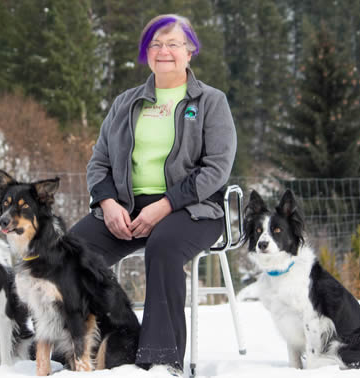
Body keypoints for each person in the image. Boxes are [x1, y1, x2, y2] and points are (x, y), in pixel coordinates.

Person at [70, 14, 236, 375]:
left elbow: (216, 169)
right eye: (156, 44)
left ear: (190, 51)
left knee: (163, 247)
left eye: (174, 44)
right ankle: (94, 348)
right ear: (146, 54)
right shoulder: (126, 103)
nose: (164, 51)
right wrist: (107, 202)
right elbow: (98, 161)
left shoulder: (210, 102)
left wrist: (166, 205)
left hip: (192, 209)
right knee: (70, 254)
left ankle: (162, 358)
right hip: (125, 207)